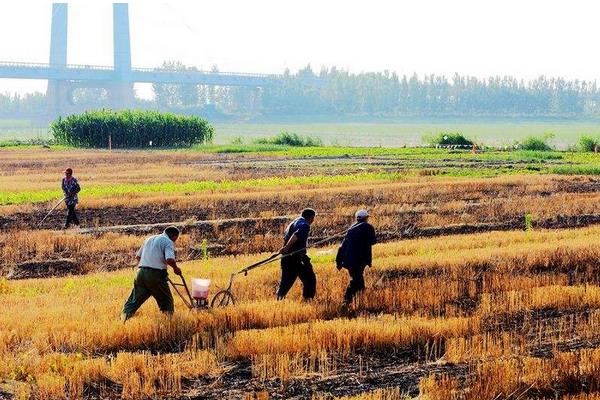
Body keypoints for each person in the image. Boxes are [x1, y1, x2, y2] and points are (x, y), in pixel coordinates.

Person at [121, 226, 182, 321]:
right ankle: (169, 322)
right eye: (176, 239)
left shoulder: (149, 239)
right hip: (156, 274)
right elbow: (169, 259)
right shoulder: (167, 241)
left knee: (134, 300)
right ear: (174, 236)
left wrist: (147, 264)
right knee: (166, 300)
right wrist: (175, 268)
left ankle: (123, 319)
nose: (175, 241)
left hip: (140, 273)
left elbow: (138, 257)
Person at [336, 209, 377, 306]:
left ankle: (359, 301)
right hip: (359, 259)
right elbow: (373, 241)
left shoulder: (351, 228)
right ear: (366, 218)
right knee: (356, 280)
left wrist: (338, 261)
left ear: (357, 218)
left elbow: (342, 246)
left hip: (348, 259)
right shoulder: (368, 227)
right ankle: (346, 301)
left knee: (358, 280)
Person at [277, 208, 317, 301]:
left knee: (285, 283)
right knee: (310, 280)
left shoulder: (294, 222)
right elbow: (296, 235)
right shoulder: (305, 225)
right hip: (298, 258)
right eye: (313, 218)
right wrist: (287, 247)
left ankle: (279, 300)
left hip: (287, 258)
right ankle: (308, 300)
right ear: (311, 217)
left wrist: (286, 249)